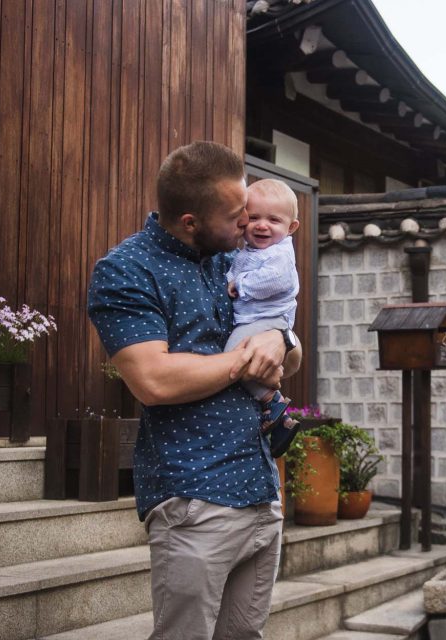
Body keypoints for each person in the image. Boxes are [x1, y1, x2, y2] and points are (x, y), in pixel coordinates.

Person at [87, 141, 301, 640]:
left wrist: (280, 336)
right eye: (236, 216)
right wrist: (249, 357)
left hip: (260, 488)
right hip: (196, 496)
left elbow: (291, 360)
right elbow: (153, 380)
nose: (249, 223)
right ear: (190, 221)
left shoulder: (232, 258)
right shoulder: (126, 270)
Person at [225, 178, 303, 457]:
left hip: (270, 320)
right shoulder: (247, 251)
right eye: (254, 217)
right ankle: (278, 415)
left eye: (273, 219)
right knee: (244, 358)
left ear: (291, 227)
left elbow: (275, 281)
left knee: (233, 355)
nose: (262, 225)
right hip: (255, 320)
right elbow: (235, 269)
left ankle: (272, 399)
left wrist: (240, 285)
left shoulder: (280, 254)